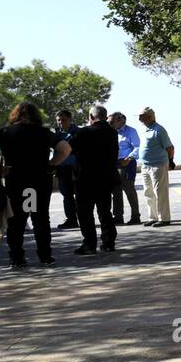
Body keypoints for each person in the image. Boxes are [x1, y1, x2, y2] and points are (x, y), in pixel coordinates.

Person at [0, 102, 71, 269]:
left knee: (16, 220)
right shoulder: (44, 133)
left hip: (16, 180)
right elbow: (65, 149)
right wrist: (52, 164)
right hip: (40, 180)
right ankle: (45, 256)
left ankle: (16, 257)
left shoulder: (5, 132)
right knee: (41, 218)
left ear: (16, 115)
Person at [70, 105, 120, 255]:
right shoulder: (112, 132)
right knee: (105, 211)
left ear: (91, 117)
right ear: (105, 116)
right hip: (106, 178)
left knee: (85, 212)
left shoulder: (83, 132)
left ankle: (89, 244)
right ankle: (108, 242)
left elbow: (68, 148)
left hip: (85, 179)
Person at [137, 107, 175, 226]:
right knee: (148, 192)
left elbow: (170, 147)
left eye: (142, 116)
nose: (139, 119)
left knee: (160, 192)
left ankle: (164, 218)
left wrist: (171, 161)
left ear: (150, 116)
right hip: (145, 165)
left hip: (158, 165)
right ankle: (152, 217)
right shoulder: (146, 130)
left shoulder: (159, 130)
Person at [109, 112, 142, 225]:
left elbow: (137, 147)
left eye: (111, 121)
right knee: (116, 191)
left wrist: (128, 158)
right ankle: (118, 216)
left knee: (129, 190)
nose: (109, 123)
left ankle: (135, 216)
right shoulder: (111, 132)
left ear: (120, 120)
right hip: (114, 163)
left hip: (126, 163)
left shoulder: (131, 131)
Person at [54, 109, 81, 230]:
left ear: (70, 119)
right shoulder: (56, 135)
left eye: (63, 120)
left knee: (80, 195)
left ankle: (83, 217)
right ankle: (71, 219)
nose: (61, 122)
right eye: (58, 120)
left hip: (77, 168)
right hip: (62, 169)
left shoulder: (79, 132)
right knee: (67, 195)